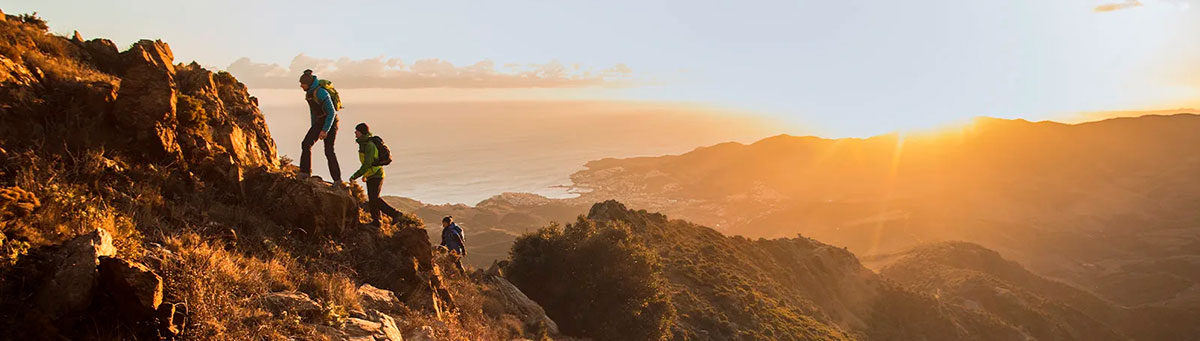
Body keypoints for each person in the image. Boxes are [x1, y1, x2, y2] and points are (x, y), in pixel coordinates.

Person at [347, 123, 400, 227]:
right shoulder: (363, 144)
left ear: (361, 132)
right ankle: (376, 221)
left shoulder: (369, 145)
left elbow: (367, 163)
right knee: (373, 199)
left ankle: (395, 214)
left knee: (375, 199)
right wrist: (365, 175)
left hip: (377, 174)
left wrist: (355, 176)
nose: (355, 133)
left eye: (356, 131)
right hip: (372, 174)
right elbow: (367, 164)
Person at [298, 69, 341, 183]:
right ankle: (305, 172)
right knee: (306, 144)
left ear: (308, 83)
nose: (301, 86)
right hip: (319, 122)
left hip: (331, 123)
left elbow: (332, 113)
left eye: (303, 84)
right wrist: (314, 128)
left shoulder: (321, 93)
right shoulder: (309, 94)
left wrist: (325, 130)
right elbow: (313, 112)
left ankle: (337, 180)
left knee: (329, 151)